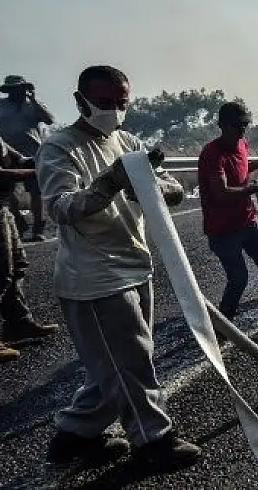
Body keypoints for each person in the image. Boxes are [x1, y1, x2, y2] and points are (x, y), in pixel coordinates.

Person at [36, 65, 201, 470]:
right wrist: (109, 183)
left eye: (121, 104)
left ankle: (75, 434)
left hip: (134, 264)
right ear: (80, 102)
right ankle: (153, 441)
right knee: (129, 363)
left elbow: (172, 190)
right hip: (95, 277)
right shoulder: (59, 147)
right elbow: (61, 208)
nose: (114, 112)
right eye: (104, 104)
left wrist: (147, 182)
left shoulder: (126, 141)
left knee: (112, 364)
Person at [0, 69, 58, 363]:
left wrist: (41, 159)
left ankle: (18, 322)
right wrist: (37, 170)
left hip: (0, 203)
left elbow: (11, 154)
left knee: (16, 265)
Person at [198, 102, 258, 320]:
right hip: (222, 228)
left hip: (247, 220)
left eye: (244, 125)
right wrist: (253, 188)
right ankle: (224, 323)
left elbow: (245, 166)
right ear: (222, 125)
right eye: (237, 125)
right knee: (238, 278)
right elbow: (221, 193)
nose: (242, 130)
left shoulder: (241, 144)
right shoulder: (212, 153)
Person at [0, 72, 55, 242]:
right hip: (7, 154)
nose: (16, 92)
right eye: (12, 90)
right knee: (7, 192)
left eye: (19, 89)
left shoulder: (33, 105)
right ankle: (19, 223)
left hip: (33, 154)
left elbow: (49, 120)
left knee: (36, 192)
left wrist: (33, 99)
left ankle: (38, 228)